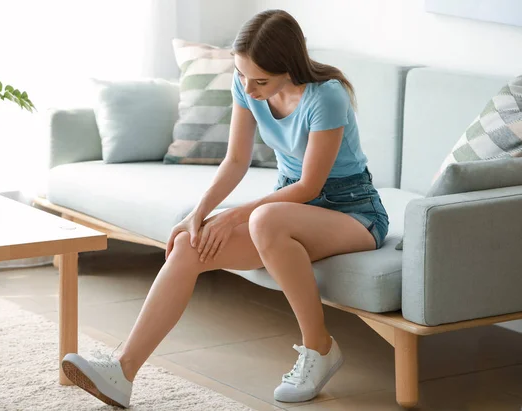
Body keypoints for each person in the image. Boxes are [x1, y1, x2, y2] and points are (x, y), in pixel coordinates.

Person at [61, 8, 389, 408]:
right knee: (189, 244)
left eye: (260, 81)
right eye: (243, 76)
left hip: (351, 211)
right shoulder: (246, 84)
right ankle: (123, 371)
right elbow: (236, 160)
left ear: (290, 67)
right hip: (287, 212)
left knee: (265, 217)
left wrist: (234, 215)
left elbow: (309, 186)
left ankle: (319, 349)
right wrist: (198, 213)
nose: (249, 89)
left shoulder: (328, 96)